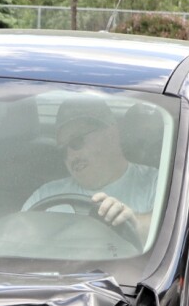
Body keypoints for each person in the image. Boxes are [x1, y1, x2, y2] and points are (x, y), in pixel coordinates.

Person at [22, 98, 158, 241]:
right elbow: (14, 237)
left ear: (111, 134)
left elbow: (170, 230)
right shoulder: (45, 196)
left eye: (76, 141)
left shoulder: (156, 183)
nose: (70, 155)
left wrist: (133, 224)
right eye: (62, 150)